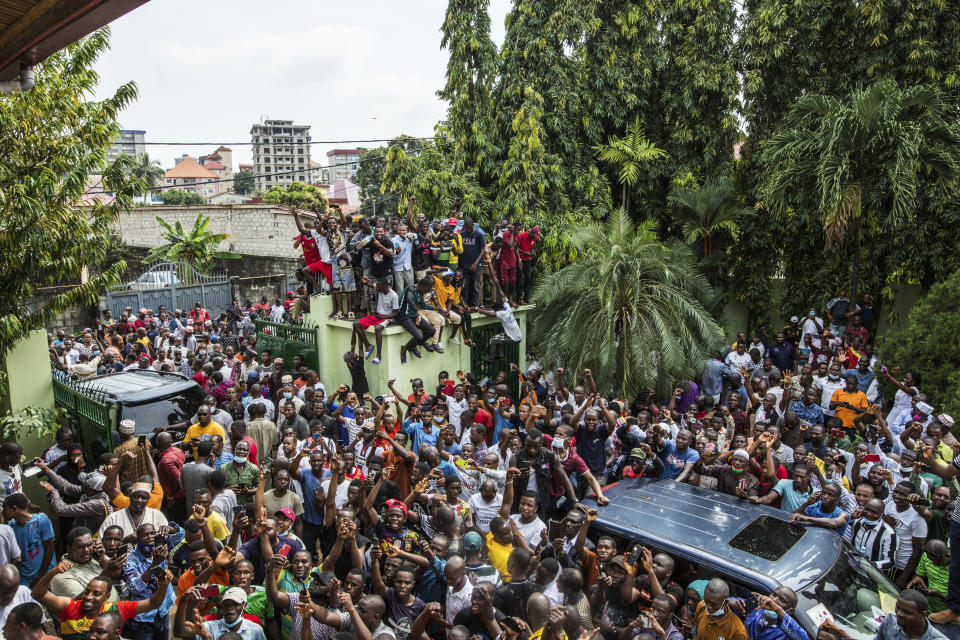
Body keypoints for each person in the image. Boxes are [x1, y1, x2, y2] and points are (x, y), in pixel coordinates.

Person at [31, 558, 170, 640]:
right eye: (87, 592)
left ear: (107, 597)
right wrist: (53, 572)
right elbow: (38, 594)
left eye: (96, 594)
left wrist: (163, 585)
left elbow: (153, 602)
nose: (88, 597)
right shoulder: (70, 606)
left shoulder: (117, 609)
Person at [3, 494, 54, 587]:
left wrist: (41, 575)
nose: (3, 513)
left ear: (14, 508)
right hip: (25, 577)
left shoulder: (41, 521)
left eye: (5, 509)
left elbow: (50, 549)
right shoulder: (11, 527)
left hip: (45, 574)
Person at [874, 590, 948, 640]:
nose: (899, 614)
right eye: (898, 607)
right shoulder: (890, 619)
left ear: (923, 615)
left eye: (907, 612)